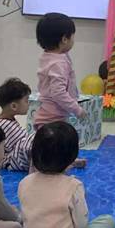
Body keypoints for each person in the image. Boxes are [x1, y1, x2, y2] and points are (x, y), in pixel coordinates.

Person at [18, 122, 115, 228]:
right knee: (108, 221)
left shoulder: (24, 182)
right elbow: (81, 225)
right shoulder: (73, 186)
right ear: (71, 157)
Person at [34, 12, 86, 167]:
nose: (73, 41)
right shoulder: (59, 62)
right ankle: (44, 170)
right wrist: (77, 109)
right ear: (64, 39)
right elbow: (58, 92)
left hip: (53, 112)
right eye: (72, 37)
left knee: (58, 144)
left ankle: (67, 160)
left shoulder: (49, 56)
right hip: (52, 115)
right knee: (51, 147)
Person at [0, 77, 35, 171]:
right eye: (26, 100)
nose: (29, 104)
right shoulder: (5, 124)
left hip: (16, 157)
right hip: (13, 161)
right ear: (14, 106)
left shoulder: (6, 121)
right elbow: (24, 143)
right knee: (34, 142)